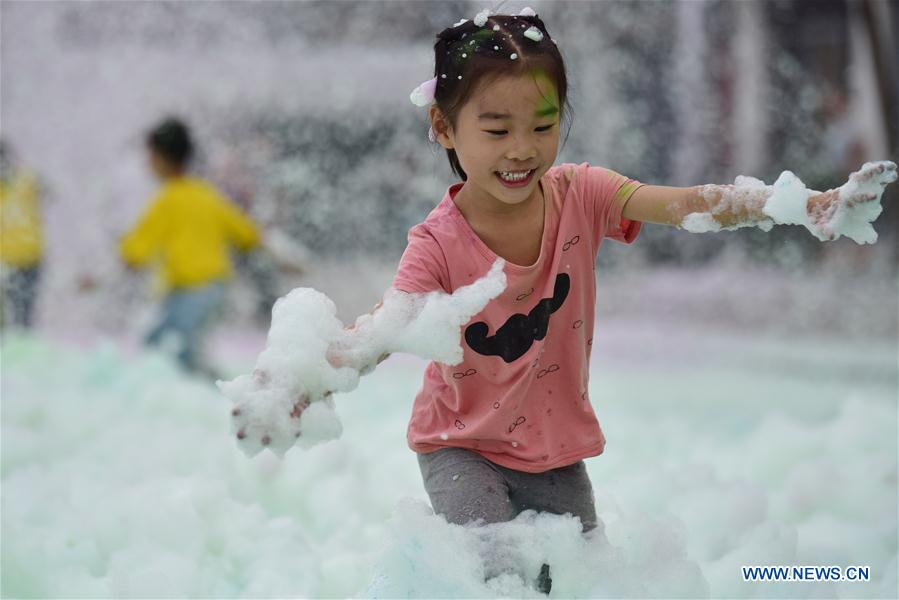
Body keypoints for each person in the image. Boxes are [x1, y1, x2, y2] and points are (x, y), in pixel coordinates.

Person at [247, 8, 894, 594]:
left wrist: (798, 206)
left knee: (576, 583)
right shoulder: (436, 246)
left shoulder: (581, 195)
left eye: (542, 124)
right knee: (497, 576)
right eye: (496, 129)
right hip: (460, 445)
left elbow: (686, 204)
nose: (522, 149)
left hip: (554, 451)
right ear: (443, 127)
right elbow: (382, 330)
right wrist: (305, 380)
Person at [120, 118, 260, 377]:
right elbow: (246, 233)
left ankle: (214, 393)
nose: (147, 163)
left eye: (150, 156)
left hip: (193, 289)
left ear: (162, 158)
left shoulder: (168, 201)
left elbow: (136, 249)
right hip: (211, 287)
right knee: (161, 342)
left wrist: (126, 258)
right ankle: (193, 391)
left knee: (179, 349)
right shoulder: (206, 194)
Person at [0, 140, 44, 329]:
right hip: (29, 256)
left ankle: (13, 349)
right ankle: (18, 346)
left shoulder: (26, 181)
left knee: (15, 314)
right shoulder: (27, 179)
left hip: (16, 259)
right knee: (22, 313)